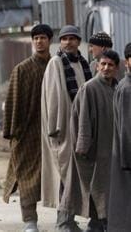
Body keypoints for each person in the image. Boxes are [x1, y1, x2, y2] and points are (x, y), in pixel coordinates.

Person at [59, 50, 120, 231]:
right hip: (93, 150)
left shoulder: (116, 88)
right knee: (91, 190)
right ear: (97, 66)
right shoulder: (90, 88)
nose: (106, 68)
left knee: (106, 191)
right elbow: (83, 119)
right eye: (103, 64)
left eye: (110, 65)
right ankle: (67, 223)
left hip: (111, 149)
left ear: (116, 68)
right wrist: (83, 146)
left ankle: (97, 225)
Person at [40, 25, 92, 231]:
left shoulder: (83, 64)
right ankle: (64, 222)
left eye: (72, 38)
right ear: (59, 43)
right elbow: (53, 98)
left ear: (79, 42)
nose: (68, 42)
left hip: (80, 128)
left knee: (78, 177)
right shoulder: (56, 63)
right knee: (66, 177)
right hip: (63, 130)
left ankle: (71, 220)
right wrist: (56, 129)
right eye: (64, 39)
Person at [2, 24, 53, 232]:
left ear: (49, 40)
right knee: (26, 177)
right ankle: (30, 220)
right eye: (36, 38)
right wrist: (12, 132)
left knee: (56, 176)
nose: (39, 41)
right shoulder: (22, 69)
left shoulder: (56, 66)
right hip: (27, 132)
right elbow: (12, 101)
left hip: (52, 131)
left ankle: (64, 217)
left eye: (43, 38)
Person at [108, 43, 131, 231]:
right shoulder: (127, 89)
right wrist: (127, 161)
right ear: (127, 62)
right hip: (128, 157)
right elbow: (126, 129)